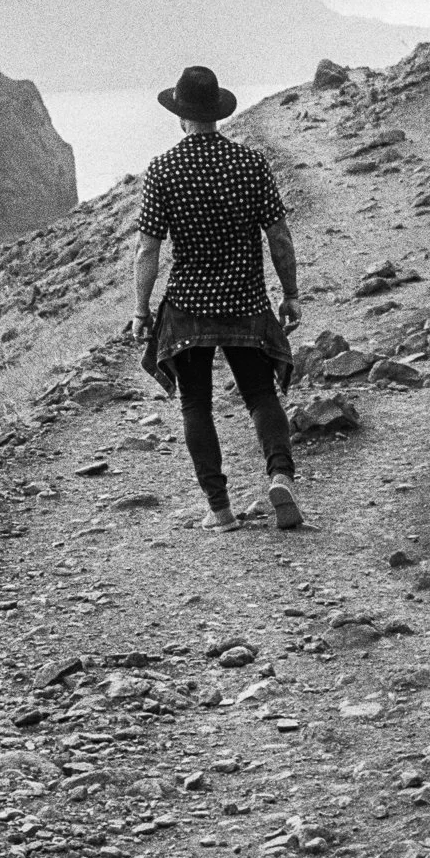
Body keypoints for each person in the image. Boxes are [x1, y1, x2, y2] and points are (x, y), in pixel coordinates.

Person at [130, 65, 304, 531]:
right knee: (260, 394)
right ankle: (281, 475)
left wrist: (141, 309)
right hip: (246, 300)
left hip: (187, 305)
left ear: (181, 116)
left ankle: (220, 510)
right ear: (217, 114)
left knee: (196, 405)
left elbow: (149, 248)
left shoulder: (163, 169)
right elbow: (279, 236)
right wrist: (289, 294)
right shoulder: (251, 164)